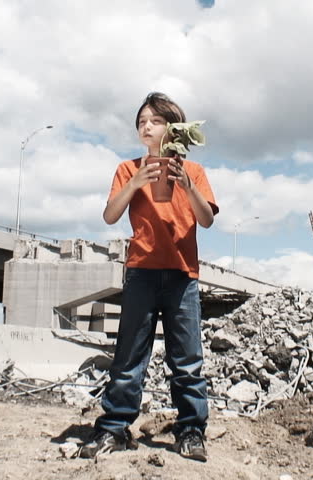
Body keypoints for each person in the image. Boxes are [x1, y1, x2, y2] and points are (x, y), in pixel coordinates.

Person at [79, 92, 218, 462]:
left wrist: (185, 184)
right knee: (129, 355)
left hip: (182, 275)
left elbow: (206, 219)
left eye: (154, 121)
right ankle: (114, 428)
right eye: (141, 121)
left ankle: (190, 431)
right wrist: (137, 180)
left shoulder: (194, 172)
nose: (145, 126)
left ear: (173, 127)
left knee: (187, 359)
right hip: (140, 272)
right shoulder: (128, 169)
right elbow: (110, 216)